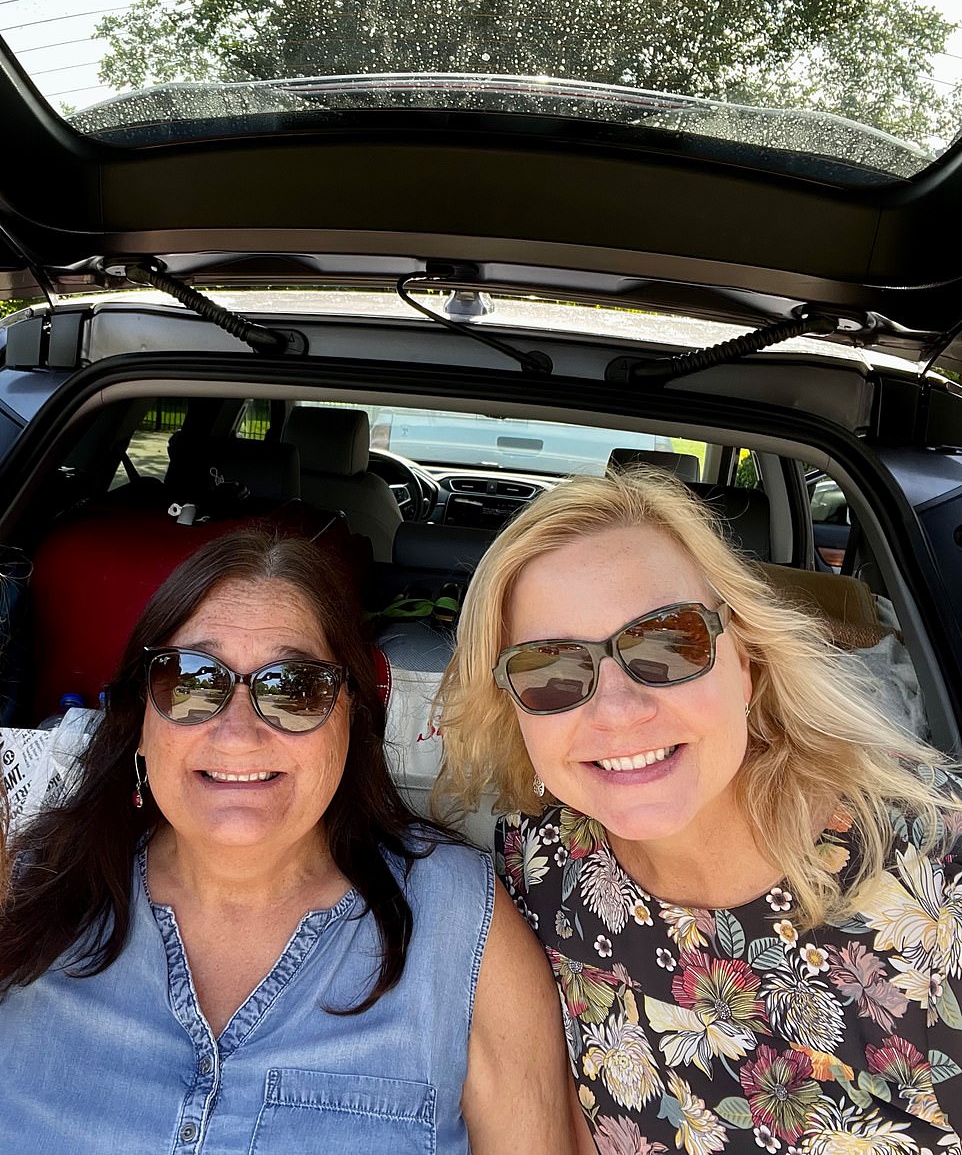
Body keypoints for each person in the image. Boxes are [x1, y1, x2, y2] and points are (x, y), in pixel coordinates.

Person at [0, 529, 579, 1155]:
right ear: (141, 720)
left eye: (294, 688)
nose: (239, 733)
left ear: (353, 721)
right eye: (192, 681)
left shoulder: (464, 924)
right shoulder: (24, 889)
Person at [438, 469, 962, 1154]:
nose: (619, 710)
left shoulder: (938, 887)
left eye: (668, 642)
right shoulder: (542, 867)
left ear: (745, 655)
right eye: (551, 671)